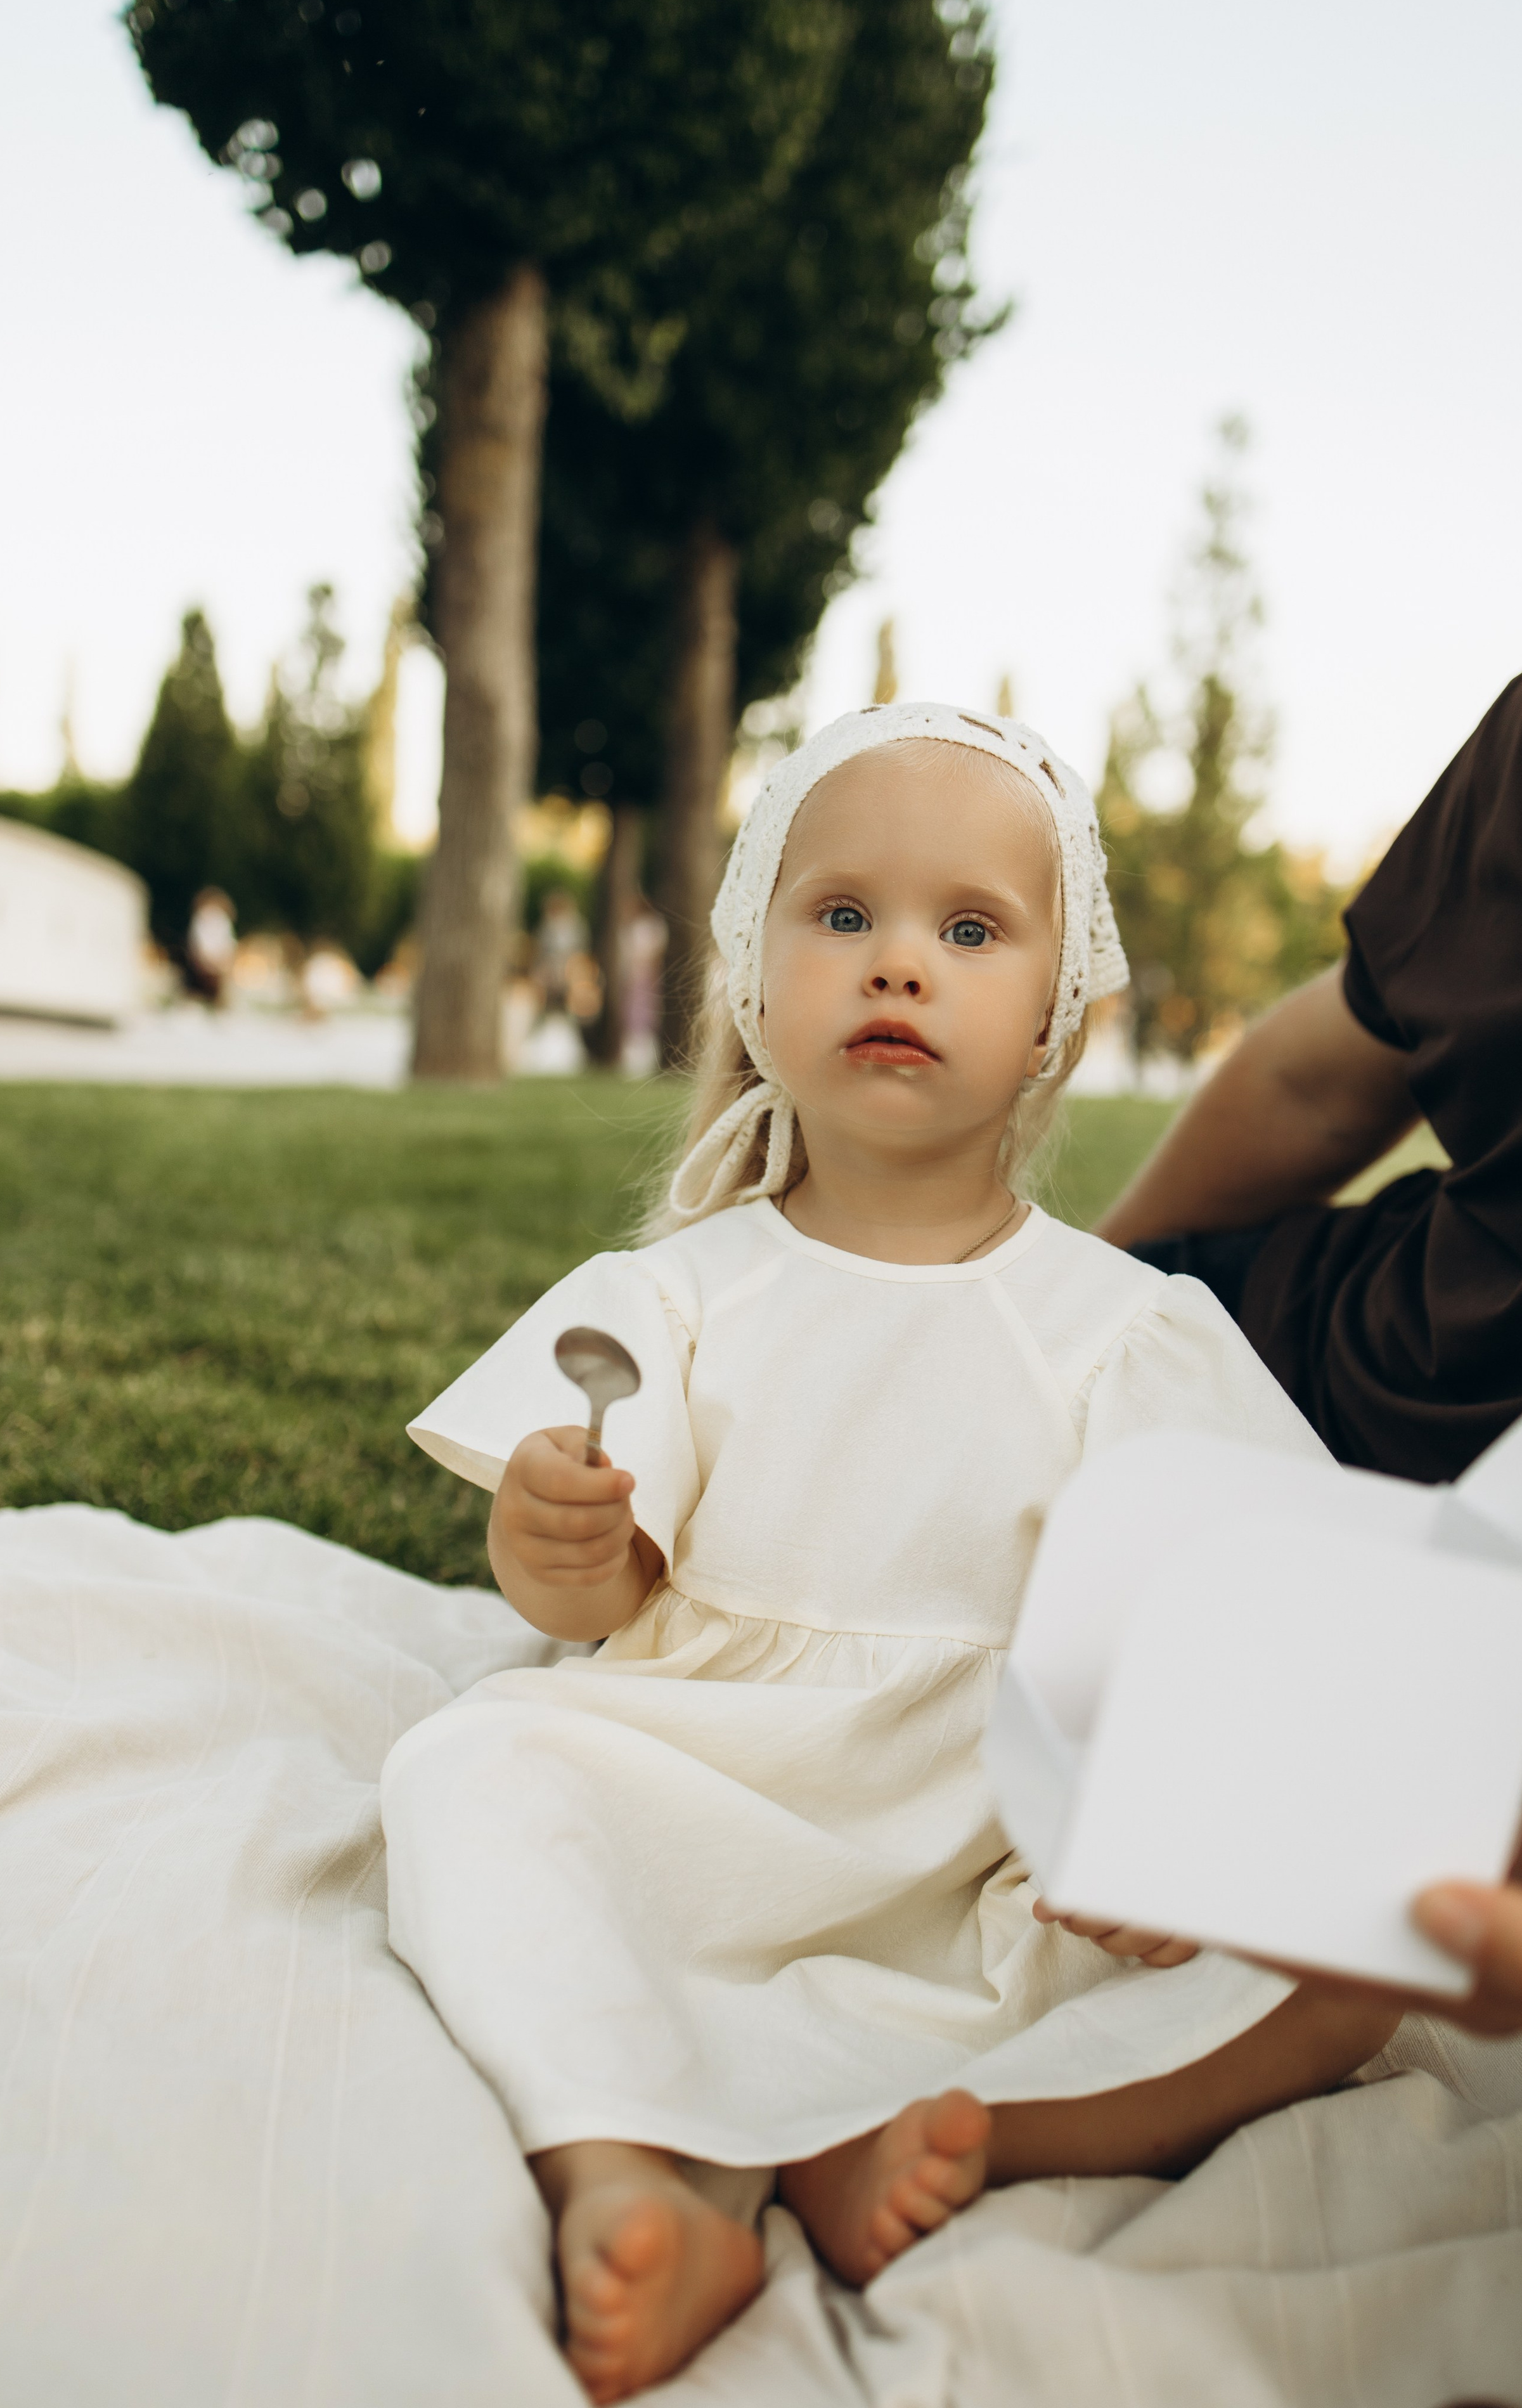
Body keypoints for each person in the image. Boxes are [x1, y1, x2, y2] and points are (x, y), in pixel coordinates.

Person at [380, 703, 1398, 2404]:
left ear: (1059, 1026)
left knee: (1338, 1950)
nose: (900, 964)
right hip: (711, 1794)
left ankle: (952, 2133)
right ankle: (633, 2177)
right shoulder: (681, 1297)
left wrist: (1160, 1798)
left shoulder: (1125, 1332)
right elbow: (590, 1595)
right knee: (472, 1779)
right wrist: (553, 1534)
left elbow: (1236, 1612)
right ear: (754, 983)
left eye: (971, 929)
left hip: (1000, 1844)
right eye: (841, 914)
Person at [1090, 645, 1522, 2026]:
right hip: (1366, 1363)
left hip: (1517, 1590)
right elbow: (1315, 1080)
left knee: (1352, 1926)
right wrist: (1082, 1324)